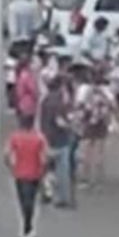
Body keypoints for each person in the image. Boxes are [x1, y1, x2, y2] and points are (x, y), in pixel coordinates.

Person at [7, 114, 47, 237]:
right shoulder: (39, 138)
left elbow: (7, 154)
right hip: (35, 174)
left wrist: (11, 167)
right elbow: (45, 157)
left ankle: (27, 228)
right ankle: (28, 227)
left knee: (23, 201)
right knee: (31, 201)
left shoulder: (15, 137)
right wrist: (43, 170)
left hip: (19, 174)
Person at [40, 76, 74, 208]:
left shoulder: (45, 100)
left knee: (46, 169)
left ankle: (46, 193)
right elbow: (59, 121)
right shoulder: (59, 102)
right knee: (62, 171)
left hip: (46, 138)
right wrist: (70, 126)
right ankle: (62, 198)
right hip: (59, 140)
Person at [77, 70, 114, 190]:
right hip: (101, 123)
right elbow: (112, 105)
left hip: (88, 122)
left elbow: (79, 106)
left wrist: (80, 120)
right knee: (100, 151)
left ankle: (86, 179)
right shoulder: (106, 91)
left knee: (87, 151)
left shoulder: (85, 90)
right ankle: (98, 181)